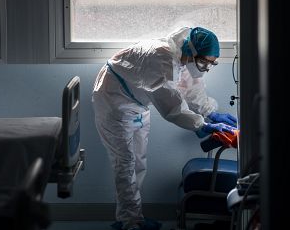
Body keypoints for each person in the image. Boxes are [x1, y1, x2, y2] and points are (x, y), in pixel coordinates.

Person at [91, 26, 237, 230]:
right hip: (114, 103)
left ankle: (133, 217)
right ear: (193, 52)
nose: (205, 68)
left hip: (138, 102)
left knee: (139, 162)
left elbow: (191, 87)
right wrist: (202, 125)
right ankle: (130, 223)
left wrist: (209, 112)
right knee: (125, 164)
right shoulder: (161, 60)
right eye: (204, 62)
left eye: (211, 64)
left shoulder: (182, 56)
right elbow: (173, 107)